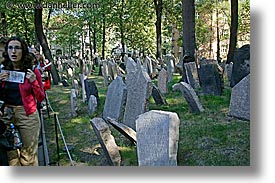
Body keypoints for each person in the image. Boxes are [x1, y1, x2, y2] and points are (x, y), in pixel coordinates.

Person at [0, 36, 45, 166]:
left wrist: (33, 82)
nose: (13, 51)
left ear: (23, 51)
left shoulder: (32, 70)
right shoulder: (3, 69)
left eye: (17, 48)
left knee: (28, 156)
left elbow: (41, 97)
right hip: (6, 115)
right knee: (11, 155)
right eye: (10, 48)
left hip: (27, 114)